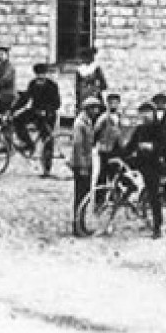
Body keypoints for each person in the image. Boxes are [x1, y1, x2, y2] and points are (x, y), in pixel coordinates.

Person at [120, 101, 166, 238]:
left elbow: (165, 147)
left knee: (153, 195)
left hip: (153, 164)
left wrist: (152, 147)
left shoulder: (159, 128)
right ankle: (132, 190)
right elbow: (130, 146)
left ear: (153, 113)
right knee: (121, 171)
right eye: (143, 113)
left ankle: (157, 227)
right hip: (140, 162)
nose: (145, 116)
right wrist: (120, 156)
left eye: (148, 112)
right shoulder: (140, 129)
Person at [10, 63, 61, 174]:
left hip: (48, 115)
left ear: (46, 74)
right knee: (17, 120)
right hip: (35, 112)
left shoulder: (52, 86)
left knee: (47, 140)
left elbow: (57, 103)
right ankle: (28, 144)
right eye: (38, 74)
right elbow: (25, 98)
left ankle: (47, 169)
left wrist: (46, 110)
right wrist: (14, 110)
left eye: (42, 74)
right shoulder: (32, 83)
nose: (40, 76)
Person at [69, 96, 105, 236]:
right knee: (81, 196)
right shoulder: (80, 123)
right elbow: (78, 146)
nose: (96, 111)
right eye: (94, 108)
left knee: (85, 196)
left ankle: (81, 225)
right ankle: (78, 227)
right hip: (81, 164)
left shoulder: (87, 121)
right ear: (88, 109)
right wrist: (83, 166)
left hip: (86, 162)